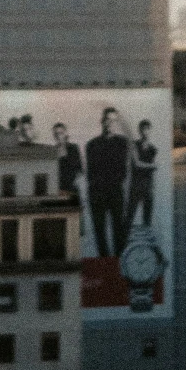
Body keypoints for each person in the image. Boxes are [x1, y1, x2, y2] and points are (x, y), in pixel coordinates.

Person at [84, 106, 131, 260]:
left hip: (115, 191)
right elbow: (91, 172)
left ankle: (119, 264)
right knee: (100, 231)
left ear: (116, 123)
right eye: (107, 120)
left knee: (119, 230)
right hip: (97, 193)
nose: (110, 123)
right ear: (102, 121)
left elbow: (122, 169)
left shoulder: (122, 143)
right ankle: (105, 264)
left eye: (113, 121)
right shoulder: (91, 145)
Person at [128, 120, 158, 229]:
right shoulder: (134, 145)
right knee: (129, 216)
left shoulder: (153, 149)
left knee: (147, 219)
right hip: (135, 186)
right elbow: (136, 164)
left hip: (148, 187)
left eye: (147, 129)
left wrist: (150, 167)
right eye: (142, 129)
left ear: (150, 131)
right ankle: (126, 242)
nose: (145, 132)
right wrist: (152, 166)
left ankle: (146, 241)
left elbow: (153, 167)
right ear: (139, 131)